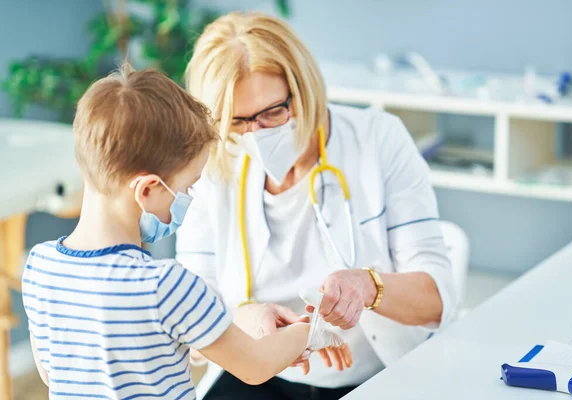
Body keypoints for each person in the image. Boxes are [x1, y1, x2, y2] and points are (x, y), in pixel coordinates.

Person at [21, 65, 351, 399]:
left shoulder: (39, 266)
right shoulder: (165, 284)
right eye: (188, 187)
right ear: (148, 189)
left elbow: (51, 374)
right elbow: (255, 366)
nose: (189, 200)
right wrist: (312, 332)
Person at [178, 11, 457, 400]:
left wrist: (369, 287)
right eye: (237, 122)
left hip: (372, 376)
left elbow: (437, 300)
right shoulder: (214, 165)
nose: (257, 134)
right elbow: (192, 305)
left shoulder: (377, 140)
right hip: (266, 374)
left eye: (273, 112)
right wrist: (245, 318)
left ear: (303, 89)